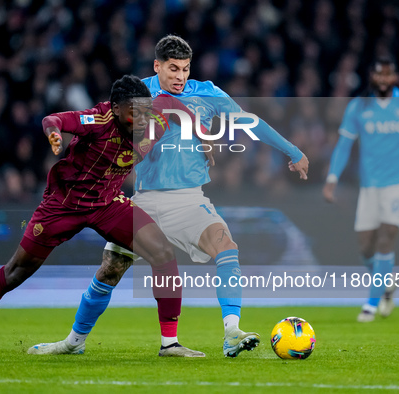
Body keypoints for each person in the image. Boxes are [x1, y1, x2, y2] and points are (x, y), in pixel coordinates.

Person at [29, 35, 309, 358]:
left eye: (185, 69)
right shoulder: (139, 93)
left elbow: (250, 122)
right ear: (157, 66)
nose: (180, 77)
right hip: (144, 198)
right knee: (110, 269)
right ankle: (73, 342)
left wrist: (292, 150)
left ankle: (231, 332)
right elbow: (107, 128)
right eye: (173, 69)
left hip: (190, 199)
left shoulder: (208, 93)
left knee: (226, 246)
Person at [0, 75, 202, 356]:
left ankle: (169, 344)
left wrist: (201, 134)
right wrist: (54, 134)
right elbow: (53, 119)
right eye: (135, 112)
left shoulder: (155, 116)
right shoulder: (97, 120)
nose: (143, 119)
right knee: (15, 272)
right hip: (63, 205)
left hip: (107, 203)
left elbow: (173, 105)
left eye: (146, 110)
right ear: (116, 108)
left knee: (163, 253)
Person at [323, 57, 399, 323]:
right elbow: (344, 145)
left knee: (387, 236)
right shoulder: (358, 107)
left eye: (388, 74)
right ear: (371, 77)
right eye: (378, 74)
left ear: (395, 77)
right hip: (370, 185)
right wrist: (332, 178)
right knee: (365, 247)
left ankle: (371, 304)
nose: (383, 79)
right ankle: (386, 282)